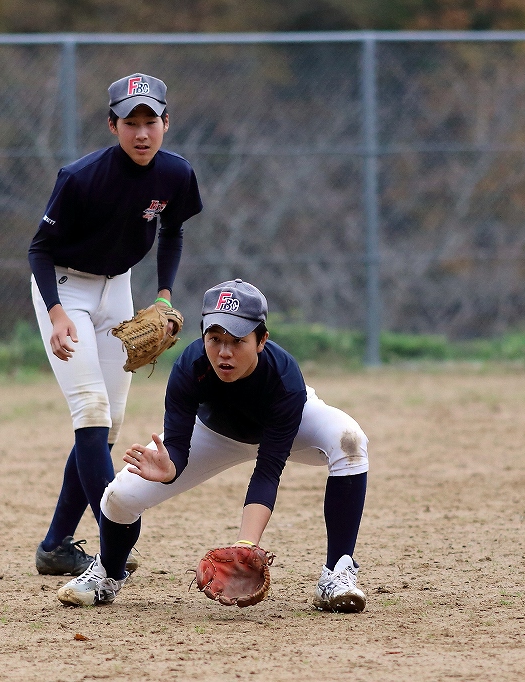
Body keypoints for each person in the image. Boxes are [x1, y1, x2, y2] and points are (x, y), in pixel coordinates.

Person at [56, 279, 370, 613]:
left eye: (237, 341)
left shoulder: (284, 380)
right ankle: (108, 572)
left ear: (262, 340)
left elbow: (268, 469)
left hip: (290, 429)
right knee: (118, 498)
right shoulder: (190, 367)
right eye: (215, 338)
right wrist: (170, 468)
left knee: (349, 440)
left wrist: (246, 544)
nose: (224, 352)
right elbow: (177, 442)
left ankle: (337, 574)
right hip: (214, 433)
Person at [28, 73, 203, 577]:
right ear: (113, 125)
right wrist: (57, 314)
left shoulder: (175, 174)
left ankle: (57, 545)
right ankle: (112, 548)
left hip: (117, 287)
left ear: (166, 123)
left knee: (109, 425)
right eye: (131, 122)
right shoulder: (81, 177)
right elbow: (38, 249)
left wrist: (164, 296)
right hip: (65, 288)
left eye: (152, 121)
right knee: (91, 410)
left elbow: (172, 230)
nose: (142, 133)